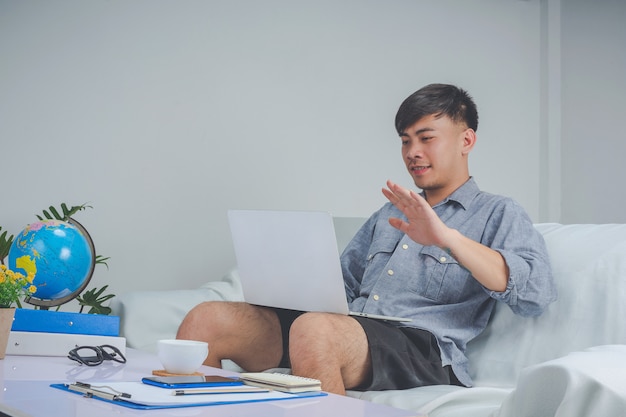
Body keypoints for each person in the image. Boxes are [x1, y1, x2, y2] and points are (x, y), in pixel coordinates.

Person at [177, 83, 557, 395]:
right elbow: (341, 286)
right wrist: (285, 285)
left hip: (422, 348)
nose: (413, 152)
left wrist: (446, 238)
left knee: (314, 329)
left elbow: (535, 294)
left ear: (466, 140)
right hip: (350, 330)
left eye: (426, 138)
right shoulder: (389, 215)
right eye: (406, 141)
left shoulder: (498, 212)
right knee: (206, 321)